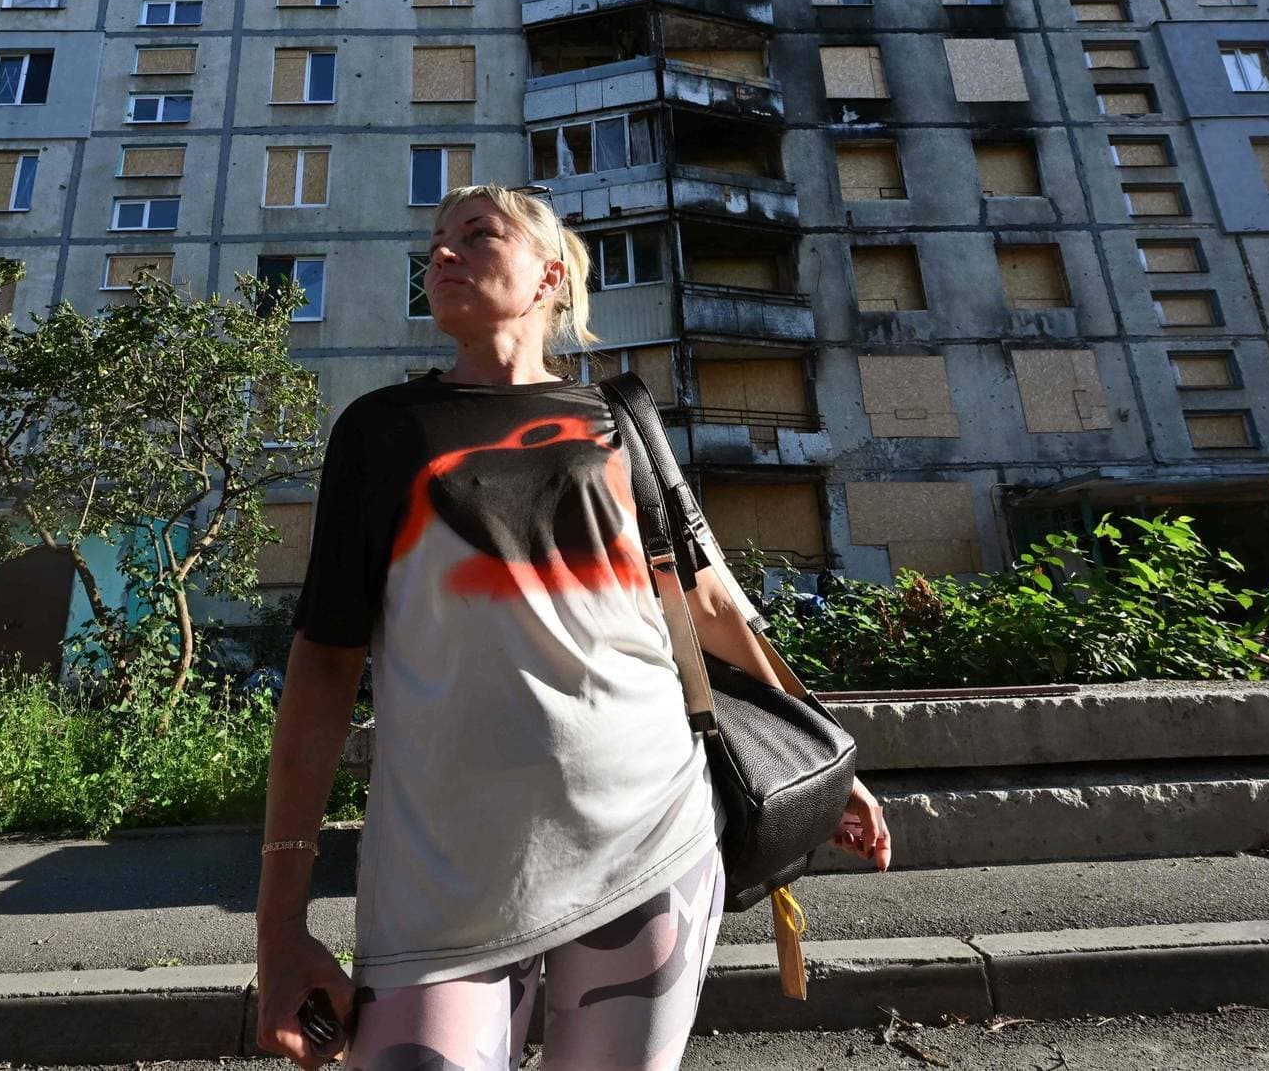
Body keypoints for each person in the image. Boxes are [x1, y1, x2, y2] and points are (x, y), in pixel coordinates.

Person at [255, 183, 893, 1071]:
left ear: (551, 272)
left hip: (652, 836)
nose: (441, 254)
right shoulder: (382, 431)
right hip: (442, 882)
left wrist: (827, 757)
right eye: (434, 241)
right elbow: (323, 668)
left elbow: (709, 602)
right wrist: (280, 932)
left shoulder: (619, 417)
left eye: (476, 234)